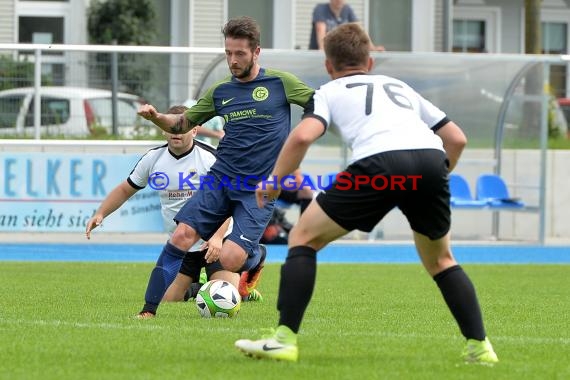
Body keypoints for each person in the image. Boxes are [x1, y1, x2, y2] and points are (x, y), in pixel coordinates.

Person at [235, 23, 499, 365]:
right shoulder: (400, 86)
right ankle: (480, 347)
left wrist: (273, 181)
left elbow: (302, 137)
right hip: (431, 161)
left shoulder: (329, 91)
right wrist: (440, 173)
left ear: (328, 66)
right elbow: (457, 138)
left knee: (302, 237)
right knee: (441, 260)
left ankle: (283, 340)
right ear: (370, 62)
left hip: (379, 164)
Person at [137, 17, 315, 308]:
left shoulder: (281, 83)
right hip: (220, 179)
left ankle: (255, 256)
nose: (232, 60)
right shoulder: (221, 92)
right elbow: (182, 123)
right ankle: (148, 310)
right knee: (182, 234)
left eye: (240, 54)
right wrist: (157, 117)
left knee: (230, 258)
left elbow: (318, 106)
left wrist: (302, 137)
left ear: (256, 52)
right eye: (228, 53)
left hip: (258, 188)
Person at [85, 105, 259, 319]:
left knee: (226, 296)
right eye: (172, 127)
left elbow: (230, 202)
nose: (177, 132)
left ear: (194, 130)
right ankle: (199, 286)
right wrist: (101, 213)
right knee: (169, 299)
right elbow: (125, 189)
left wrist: (217, 237)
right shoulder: (153, 159)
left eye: (183, 127)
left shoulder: (210, 158)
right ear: (163, 129)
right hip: (183, 243)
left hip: (216, 241)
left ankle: (252, 263)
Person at [309, 0, 385, 51]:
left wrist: (372, 48)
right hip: (319, 54)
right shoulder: (321, 9)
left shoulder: (347, 9)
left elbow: (360, 29)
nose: (339, 1)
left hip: (336, 55)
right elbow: (320, 30)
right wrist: (322, 49)